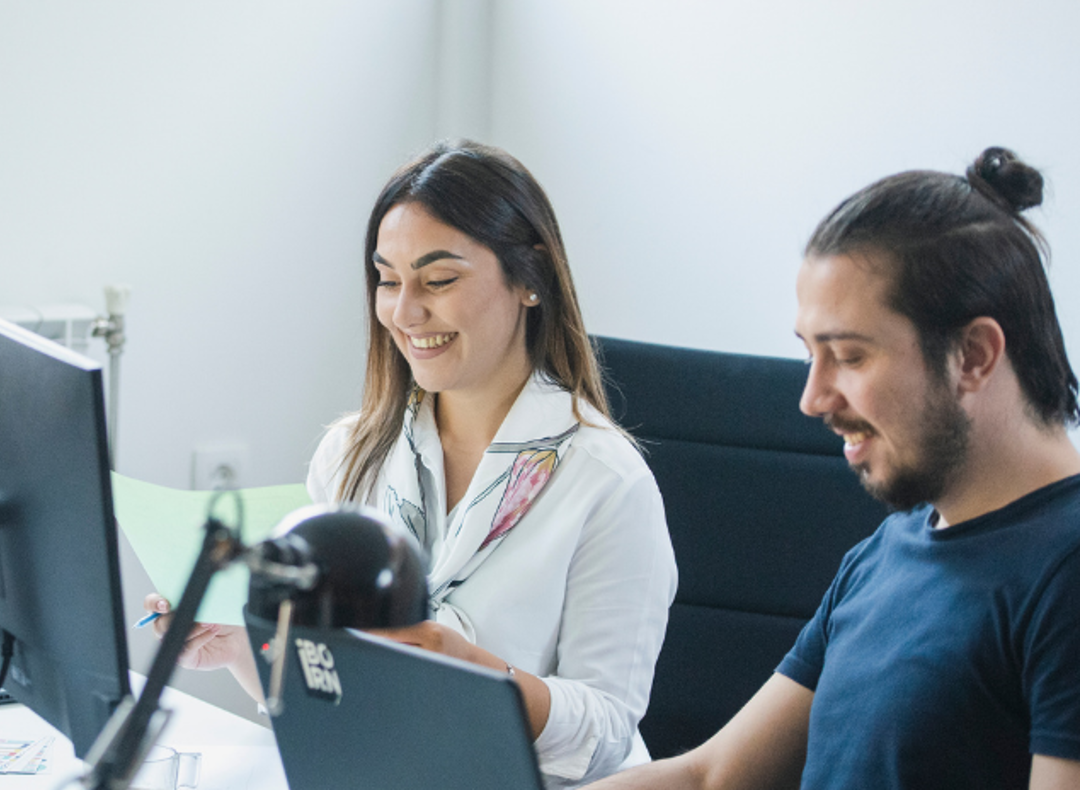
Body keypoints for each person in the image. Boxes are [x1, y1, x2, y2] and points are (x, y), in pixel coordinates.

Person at [147, 139, 677, 787]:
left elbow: (605, 734)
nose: (404, 312)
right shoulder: (352, 454)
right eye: (389, 280)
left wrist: (478, 675)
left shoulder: (606, 481)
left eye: (439, 279)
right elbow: (330, 689)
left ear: (529, 279)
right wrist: (239, 644)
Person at [587, 147, 1080, 790]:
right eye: (810, 355)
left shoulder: (1065, 573)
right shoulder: (888, 552)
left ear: (975, 355)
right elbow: (712, 777)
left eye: (848, 355)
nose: (812, 399)